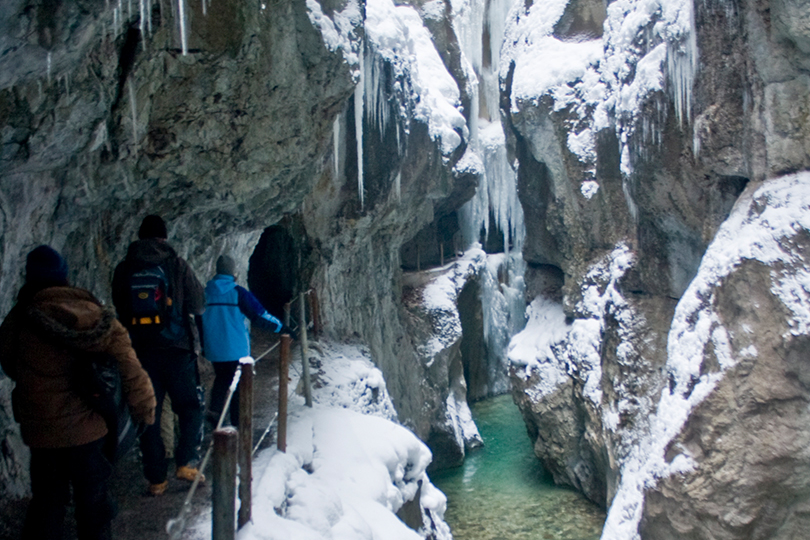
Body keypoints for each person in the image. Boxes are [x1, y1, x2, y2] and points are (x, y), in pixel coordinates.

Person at [0, 245, 156, 540]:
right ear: (65, 277)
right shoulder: (97, 317)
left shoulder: (18, 320)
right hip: (89, 430)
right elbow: (130, 368)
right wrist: (145, 410)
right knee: (94, 505)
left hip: (42, 432)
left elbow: (9, 364)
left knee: (47, 503)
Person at [111, 215, 205, 496]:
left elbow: (118, 304)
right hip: (176, 349)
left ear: (139, 236)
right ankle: (186, 462)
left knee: (147, 412)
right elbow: (198, 304)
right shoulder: (176, 264)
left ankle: (156, 479)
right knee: (189, 406)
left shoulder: (125, 268)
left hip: (140, 352)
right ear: (164, 237)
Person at [202, 254, 290, 426]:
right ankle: (237, 423)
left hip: (214, 348)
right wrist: (281, 328)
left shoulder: (206, 293)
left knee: (221, 379)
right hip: (236, 349)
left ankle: (216, 417)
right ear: (232, 272)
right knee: (238, 384)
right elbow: (259, 315)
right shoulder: (238, 293)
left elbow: (198, 319)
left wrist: (205, 344)